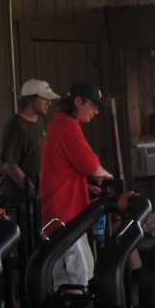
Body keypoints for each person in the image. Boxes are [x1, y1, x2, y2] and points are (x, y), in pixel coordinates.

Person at [39, 80, 114, 290]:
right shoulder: (67, 125)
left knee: (76, 272)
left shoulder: (59, 124)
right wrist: (105, 175)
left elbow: (64, 170)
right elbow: (89, 164)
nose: (96, 112)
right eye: (93, 106)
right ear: (79, 101)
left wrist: (85, 187)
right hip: (64, 214)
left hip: (63, 212)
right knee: (75, 275)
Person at [0, 79, 60, 195]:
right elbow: (9, 164)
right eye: (44, 98)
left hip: (36, 193)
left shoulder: (39, 121)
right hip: (17, 197)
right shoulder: (16, 126)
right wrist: (32, 190)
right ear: (31, 99)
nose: (49, 103)